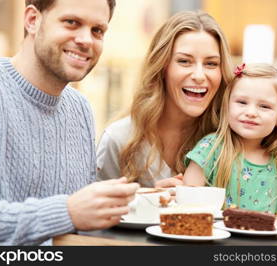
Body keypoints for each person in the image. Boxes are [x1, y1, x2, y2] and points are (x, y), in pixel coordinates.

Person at [0, 0, 139, 246]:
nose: (86, 40)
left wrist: (144, 200)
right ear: (32, 20)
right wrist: (65, 212)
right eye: (71, 22)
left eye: (97, 30)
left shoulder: (80, 109)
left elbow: (77, 222)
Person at [97, 11, 233, 188]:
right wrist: (152, 200)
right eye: (184, 61)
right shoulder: (119, 139)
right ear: (163, 67)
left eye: (211, 64)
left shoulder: (231, 139)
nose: (199, 75)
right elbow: (96, 212)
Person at [183, 63, 277, 227]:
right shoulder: (210, 149)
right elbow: (187, 200)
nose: (251, 112)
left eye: (264, 106)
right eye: (242, 102)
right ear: (227, 105)